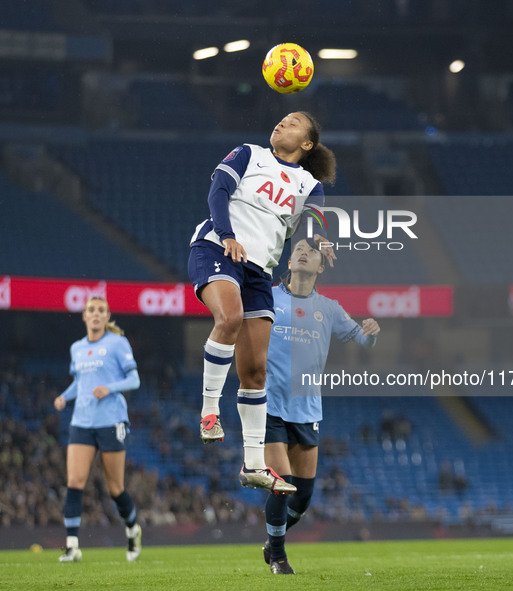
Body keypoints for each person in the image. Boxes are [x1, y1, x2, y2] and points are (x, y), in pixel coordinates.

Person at [188, 112, 337, 495]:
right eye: (282, 120)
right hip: (218, 248)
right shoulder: (248, 154)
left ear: (307, 144)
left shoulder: (310, 185)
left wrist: (317, 239)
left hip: (259, 271)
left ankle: (253, 465)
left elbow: (309, 226)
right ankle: (208, 413)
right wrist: (226, 234)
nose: (281, 124)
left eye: (292, 123)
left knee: (255, 371)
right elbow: (217, 193)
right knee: (230, 316)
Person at [261, 239, 380, 574]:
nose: (304, 252)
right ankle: (280, 558)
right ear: (289, 257)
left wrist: (371, 333)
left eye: (312, 251)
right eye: (298, 247)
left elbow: (361, 339)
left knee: (302, 497)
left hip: (307, 410)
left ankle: (273, 541)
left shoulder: (328, 308)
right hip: (269, 405)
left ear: (321, 266)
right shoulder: (268, 296)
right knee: (281, 483)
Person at [53, 297, 141, 563]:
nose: (95, 314)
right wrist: (64, 397)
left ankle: (132, 528)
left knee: (115, 488)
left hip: (111, 421)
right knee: (74, 482)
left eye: (100, 310)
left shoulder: (117, 343)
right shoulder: (77, 348)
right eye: (91, 310)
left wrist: (110, 388)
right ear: (84, 316)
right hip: (82, 421)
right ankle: (71, 546)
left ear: (106, 316)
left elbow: (134, 379)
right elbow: (80, 383)